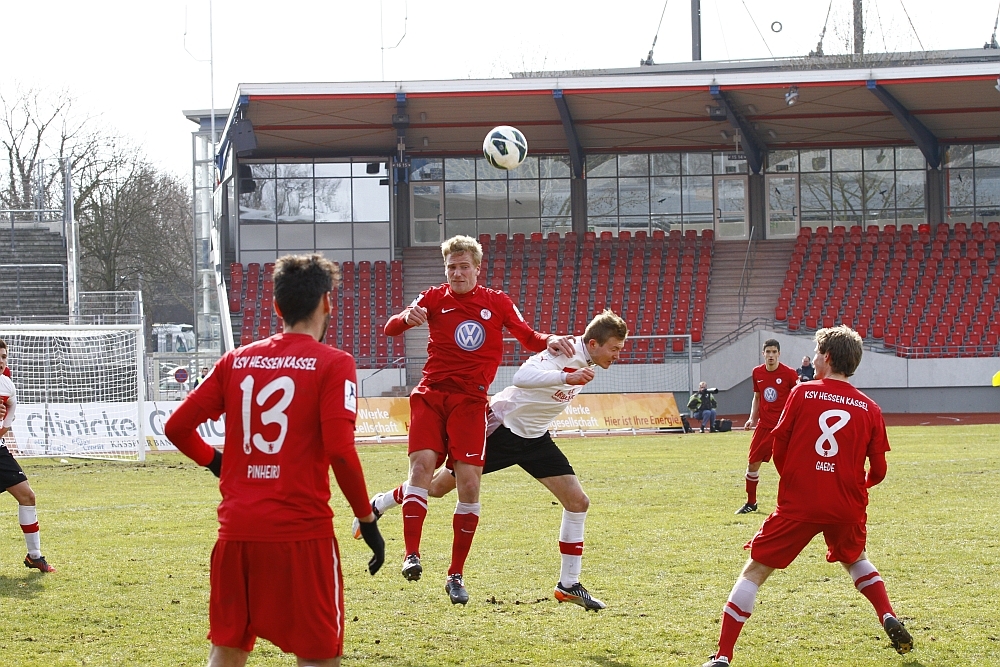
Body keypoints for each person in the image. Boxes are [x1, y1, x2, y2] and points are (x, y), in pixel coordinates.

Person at [164, 254, 385, 667]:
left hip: (236, 535)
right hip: (301, 537)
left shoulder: (236, 361)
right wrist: (366, 519)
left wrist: (214, 460)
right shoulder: (335, 364)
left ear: (277, 307)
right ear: (327, 304)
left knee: (227, 649)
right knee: (317, 655)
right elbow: (340, 450)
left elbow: (176, 427)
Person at [357, 309, 628, 611]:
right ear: (593, 344)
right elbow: (521, 377)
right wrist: (567, 375)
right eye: (614, 348)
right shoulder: (562, 351)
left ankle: (569, 585)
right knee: (435, 488)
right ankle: (380, 503)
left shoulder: (588, 359)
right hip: (501, 430)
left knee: (578, 502)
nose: (618, 355)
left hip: (534, 438)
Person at [702, 325, 912, 666]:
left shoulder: (802, 393)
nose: (813, 360)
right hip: (846, 504)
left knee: (753, 573)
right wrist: (855, 485)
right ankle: (887, 614)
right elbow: (879, 471)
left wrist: (795, 479)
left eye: (816, 354)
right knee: (856, 558)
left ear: (827, 358)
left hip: (799, 502)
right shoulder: (871, 408)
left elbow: (778, 445)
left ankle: (723, 656)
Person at [384, 234, 574, 605]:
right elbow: (391, 327)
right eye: (451, 267)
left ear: (476, 267)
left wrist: (551, 338)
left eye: (463, 266)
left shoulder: (497, 302)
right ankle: (411, 554)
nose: (456, 273)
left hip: (471, 402)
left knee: (468, 485)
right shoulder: (433, 298)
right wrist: (407, 317)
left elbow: (529, 336)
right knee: (421, 468)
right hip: (432, 394)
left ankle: (455, 575)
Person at [0, 340, 56, 573]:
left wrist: (3, 424)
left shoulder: (6, 384)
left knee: (27, 496)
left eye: (3, 356)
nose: (1, 361)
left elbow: (11, 409)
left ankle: (35, 556)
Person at [737, 339, 800, 514]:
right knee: (752, 464)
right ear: (763, 353)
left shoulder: (789, 374)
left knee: (788, 469)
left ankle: (795, 504)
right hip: (764, 427)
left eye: (774, 352)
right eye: (768, 352)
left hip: (784, 429)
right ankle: (751, 503)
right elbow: (757, 397)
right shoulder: (757, 372)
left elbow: (797, 399)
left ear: (779, 353)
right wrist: (752, 418)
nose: (771, 355)